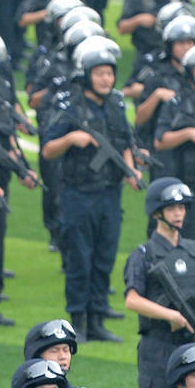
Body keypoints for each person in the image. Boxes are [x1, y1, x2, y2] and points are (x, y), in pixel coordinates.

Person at [42, 34, 141, 343]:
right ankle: (79, 320)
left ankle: (98, 317)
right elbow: (48, 149)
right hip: (78, 193)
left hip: (109, 192)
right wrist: (71, 139)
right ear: (86, 74)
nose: (106, 78)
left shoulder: (115, 104)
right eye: (99, 73)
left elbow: (124, 141)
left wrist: (131, 170)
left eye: (110, 73)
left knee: (104, 254)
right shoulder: (71, 107)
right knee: (79, 258)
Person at [123, 178, 195, 388]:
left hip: (192, 341)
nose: (178, 213)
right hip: (158, 344)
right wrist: (172, 315)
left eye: (181, 208)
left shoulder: (194, 250)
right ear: (156, 213)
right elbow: (132, 299)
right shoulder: (144, 254)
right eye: (171, 208)